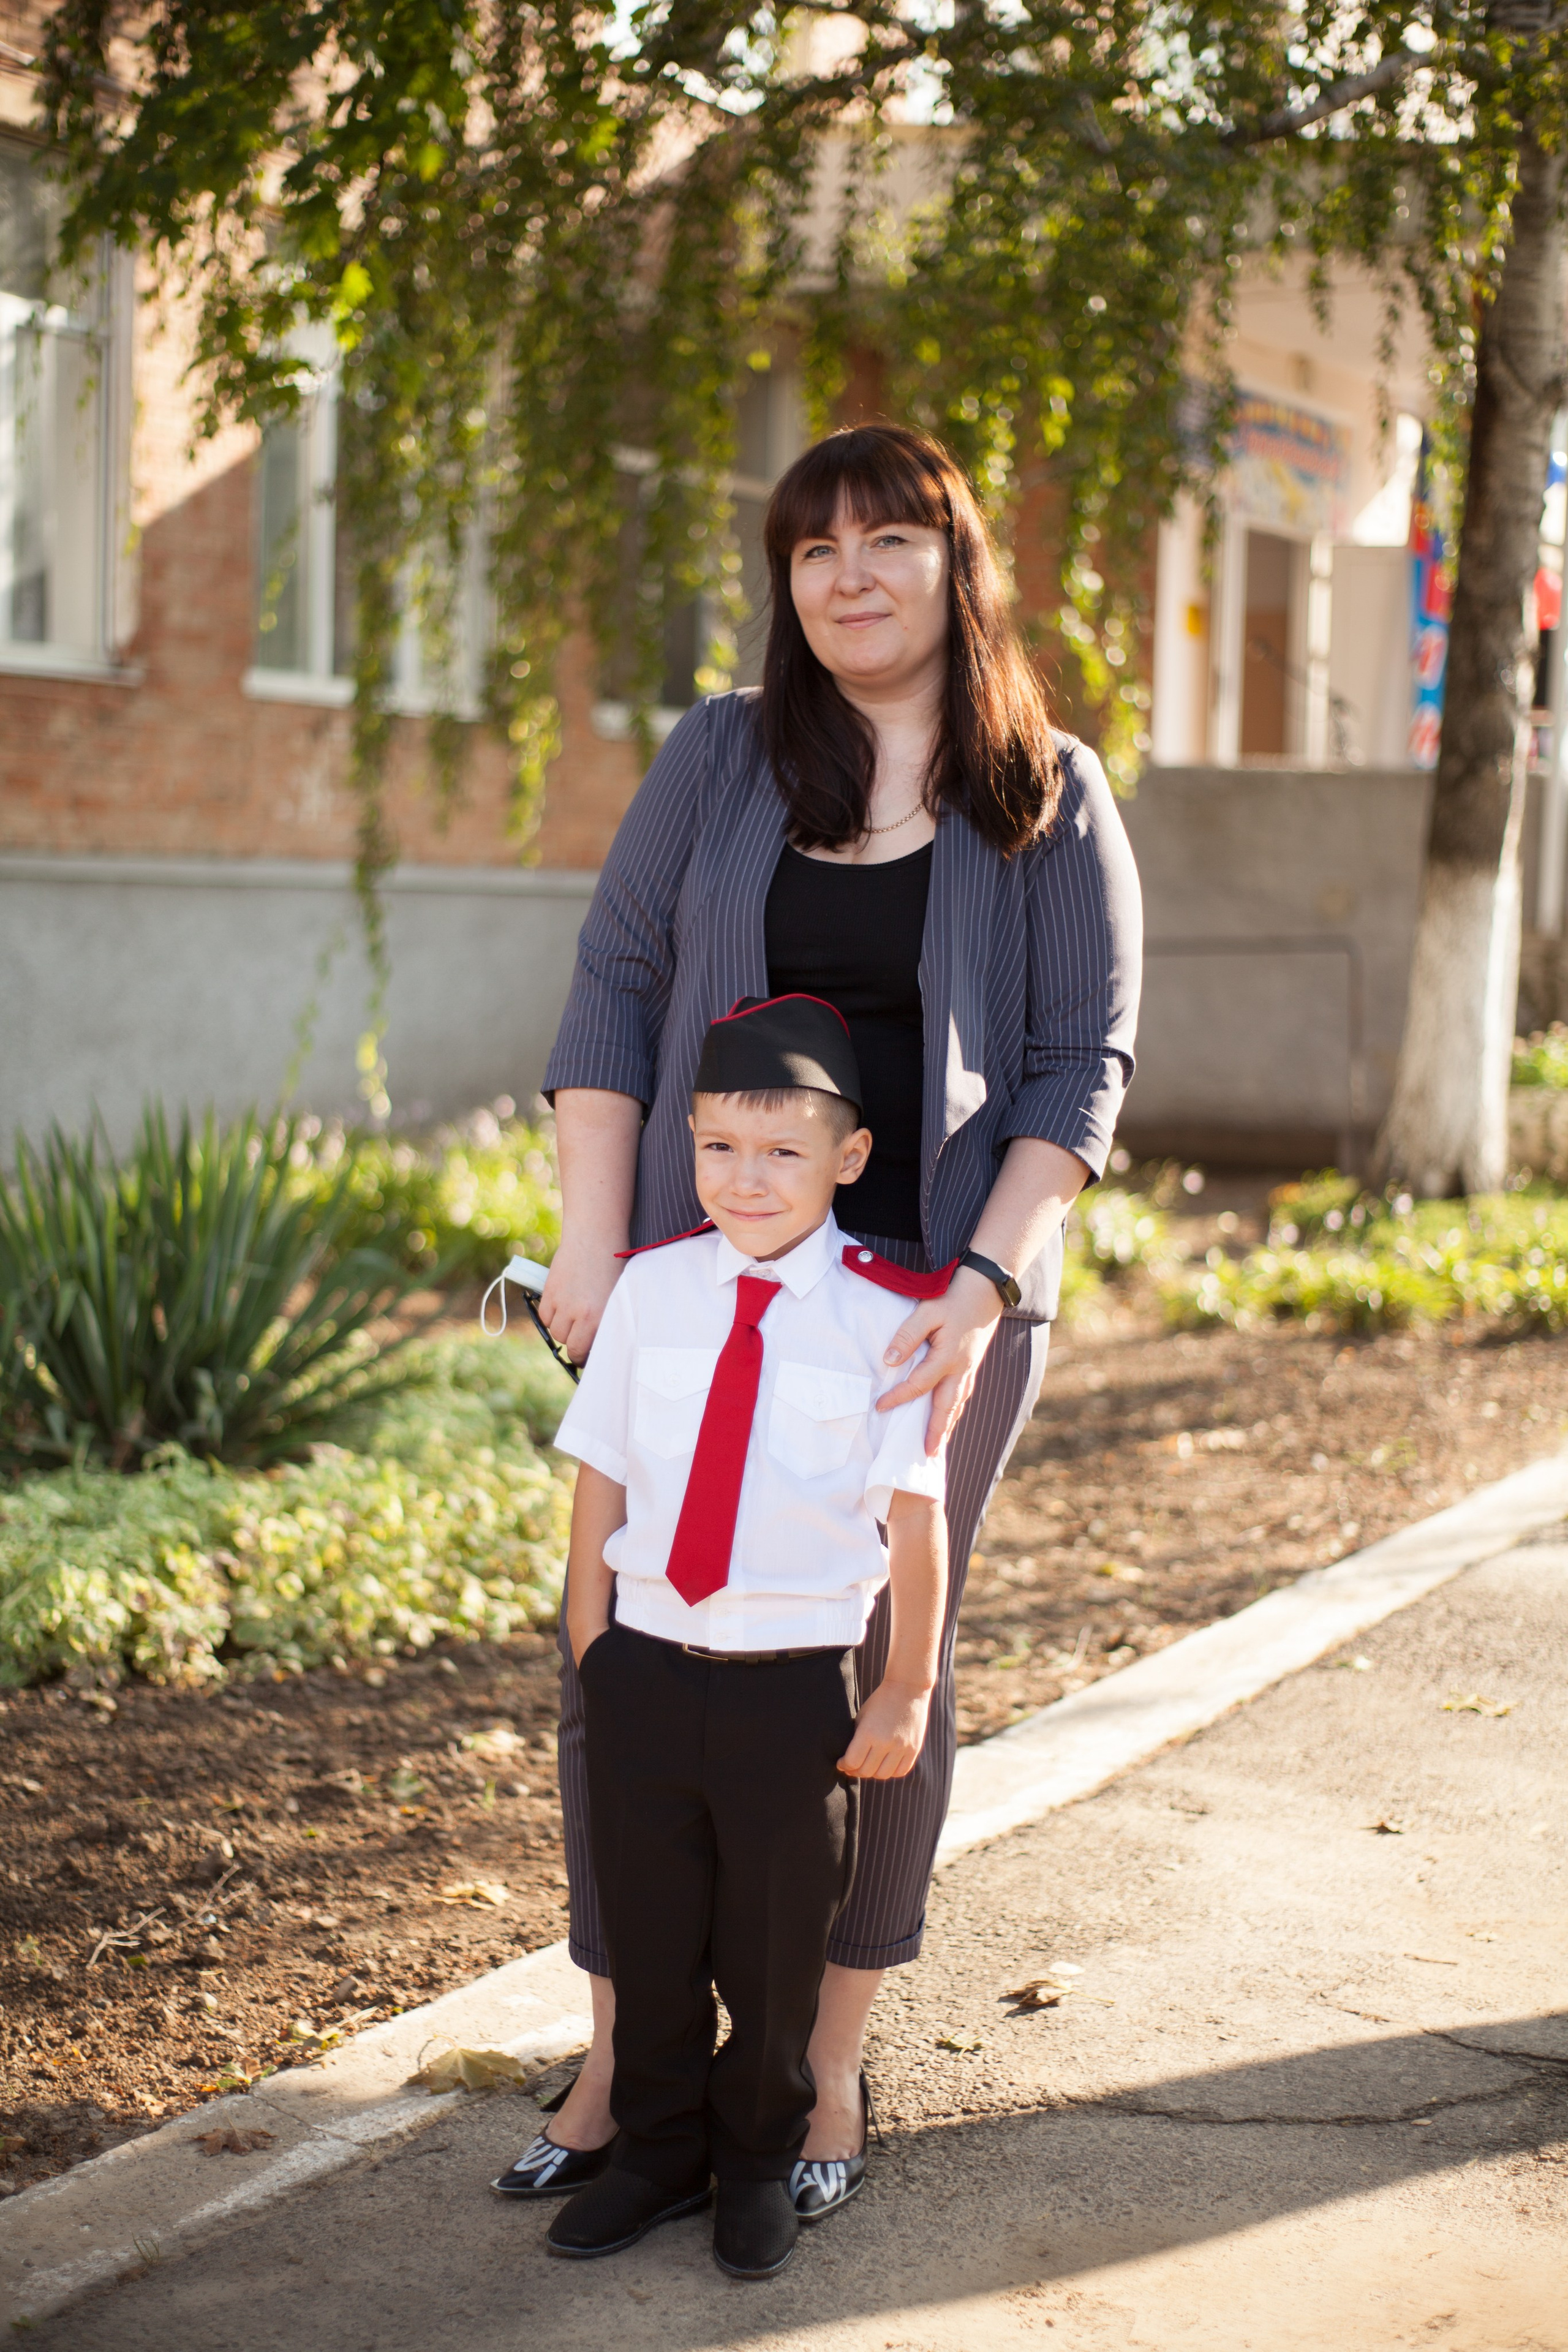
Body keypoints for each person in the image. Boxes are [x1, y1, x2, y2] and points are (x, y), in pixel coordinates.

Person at [495, 420, 1141, 2217]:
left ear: (957, 566)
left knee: (870, 1673)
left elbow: (1075, 1065)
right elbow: (616, 985)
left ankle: (823, 2059)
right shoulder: (718, 758)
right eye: (813, 548)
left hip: (926, 1300)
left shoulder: (1049, 795)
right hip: (689, 1280)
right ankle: (630, 2055)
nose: (851, 575)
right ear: (785, 582)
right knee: (623, 1651)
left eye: (890, 541)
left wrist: (989, 1288)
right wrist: (591, 1243)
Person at [540, 992, 948, 2280]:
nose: (746, 1177)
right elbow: (600, 1476)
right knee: (652, 1931)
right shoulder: (651, 1291)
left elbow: (915, 1525)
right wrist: (591, 1640)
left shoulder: (893, 1320)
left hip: (792, 1691)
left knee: (776, 1948)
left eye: (781, 1150)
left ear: (849, 1157)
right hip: (647, 1669)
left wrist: (904, 1687)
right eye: (719, 1147)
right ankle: (657, 2151)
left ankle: (756, 2161)